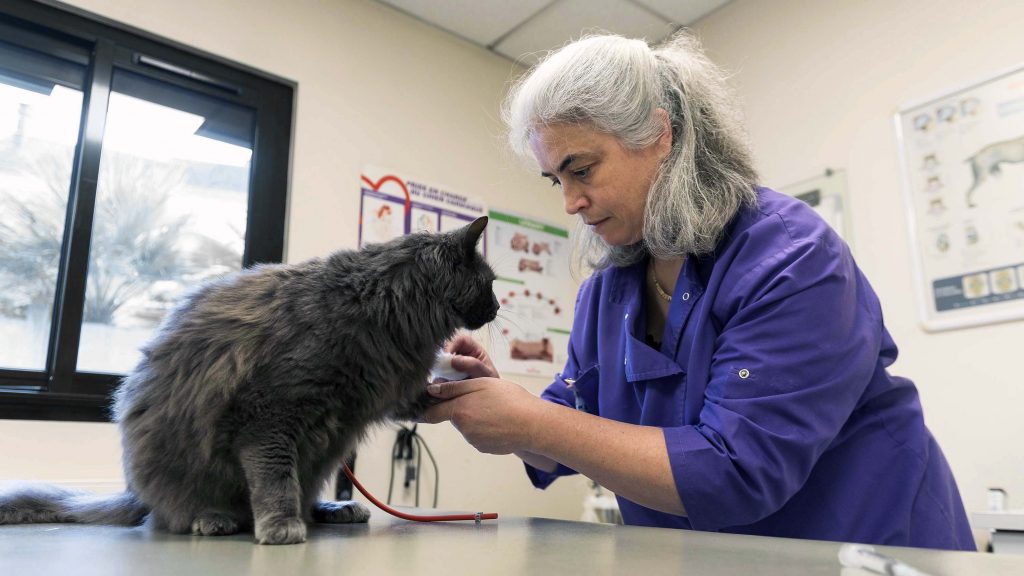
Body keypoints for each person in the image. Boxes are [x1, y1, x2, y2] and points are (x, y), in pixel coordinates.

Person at [422, 31, 975, 550]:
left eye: (583, 170)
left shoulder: (790, 256)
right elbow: (572, 422)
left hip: (866, 547)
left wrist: (531, 421)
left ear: (660, 135)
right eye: (556, 181)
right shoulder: (607, 293)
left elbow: (738, 469)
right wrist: (495, 404)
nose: (569, 203)